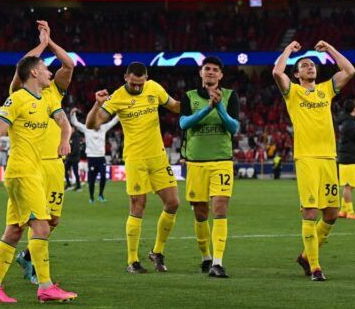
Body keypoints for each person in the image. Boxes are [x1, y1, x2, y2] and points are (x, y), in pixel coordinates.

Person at [0, 55, 77, 303]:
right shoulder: (17, 99)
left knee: (13, 231)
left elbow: (64, 123)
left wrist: (64, 140)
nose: (49, 73)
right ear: (33, 74)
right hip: (22, 172)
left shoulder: (45, 101)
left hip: (34, 172)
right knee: (41, 226)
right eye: (44, 69)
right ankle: (45, 287)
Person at [86, 62, 182, 273]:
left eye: (141, 84)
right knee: (138, 204)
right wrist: (96, 105)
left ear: (146, 79)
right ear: (125, 77)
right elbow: (92, 124)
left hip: (158, 157)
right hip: (136, 158)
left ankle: (157, 252)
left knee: (173, 203)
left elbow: (175, 106)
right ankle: (132, 261)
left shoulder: (154, 88)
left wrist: (198, 101)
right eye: (133, 84)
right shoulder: (117, 97)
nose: (137, 88)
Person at [272, 39, 355, 281]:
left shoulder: (326, 90)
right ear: (296, 73)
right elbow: (277, 71)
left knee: (331, 213)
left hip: (328, 157)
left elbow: (349, 71)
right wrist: (288, 49)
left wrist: (330, 48)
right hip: (306, 157)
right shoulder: (293, 92)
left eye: (312, 65)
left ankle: (306, 256)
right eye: (305, 66)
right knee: (309, 212)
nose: (310, 67)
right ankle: (316, 267)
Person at [9, 21, 76, 284]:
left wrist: (51, 42)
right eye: (44, 69)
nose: (50, 72)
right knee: (35, 220)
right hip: (29, 165)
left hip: (54, 164)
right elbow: (22, 65)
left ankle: (27, 256)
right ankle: (38, 271)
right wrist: (40, 44)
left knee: (53, 220)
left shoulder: (55, 92)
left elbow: (69, 65)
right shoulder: (19, 91)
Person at [179, 56, 241, 278]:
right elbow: (184, 123)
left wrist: (220, 107)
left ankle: (218, 262)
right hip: (196, 162)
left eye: (215, 69)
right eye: (207, 69)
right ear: (201, 73)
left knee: (220, 208)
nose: (211, 72)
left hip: (221, 160)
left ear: (221, 75)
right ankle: (205, 256)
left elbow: (234, 127)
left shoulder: (231, 96)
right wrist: (208, 108)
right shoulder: (189, 97)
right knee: (200, 212)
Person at [70, 108, 117, 202]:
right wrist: (72, 113)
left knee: (103, 177)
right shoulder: (87, 128)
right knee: (92, 179)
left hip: (101, 157)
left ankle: (101, 195)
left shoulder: (104, 127)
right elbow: (75, 123)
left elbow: (114, 121)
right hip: (91, 157)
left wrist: (121, 110)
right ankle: (91, 197)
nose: (99, 124)